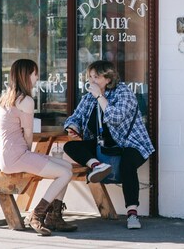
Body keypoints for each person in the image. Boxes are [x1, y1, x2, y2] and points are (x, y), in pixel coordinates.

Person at [63, 60, 153, 230]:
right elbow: (74, 117)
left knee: (127, 164)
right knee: (70, 147)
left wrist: (100, 97)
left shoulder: (123, 93)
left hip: (131, 143)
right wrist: (73, 127)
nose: (92, 81)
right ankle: (97, 166)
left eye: (96, 77)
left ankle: (132, 214)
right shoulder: (88, 98)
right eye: (90, 77)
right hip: (102, 145)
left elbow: (115, 117)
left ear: (108, 78)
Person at [0, 59, 76, 236]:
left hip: (7, 157)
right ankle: (37, 214)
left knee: (67, 167)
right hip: (18, 156)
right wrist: (30, 155)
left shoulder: (3, 99)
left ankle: (54, 217)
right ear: (26, 75)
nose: (37, 77)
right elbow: (28, 134)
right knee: (65, 173)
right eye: (35, 73)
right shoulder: (26, 100)